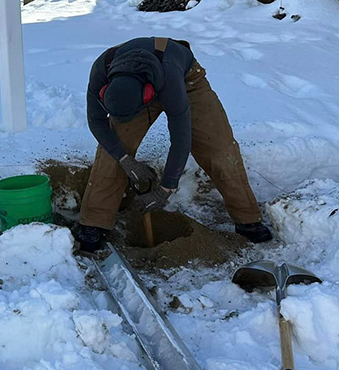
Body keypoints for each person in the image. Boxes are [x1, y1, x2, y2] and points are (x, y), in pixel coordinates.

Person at [78, 36, 273, 252]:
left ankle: (248, 219)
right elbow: (96, 122)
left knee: (218, 147)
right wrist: (125, 160)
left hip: (186, 80)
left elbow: (182, 138)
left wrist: (165, 189)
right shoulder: (101, 71)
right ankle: (94, 223)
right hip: (134, 88)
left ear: (147, 97)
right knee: (110, 153)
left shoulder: (171, 81)